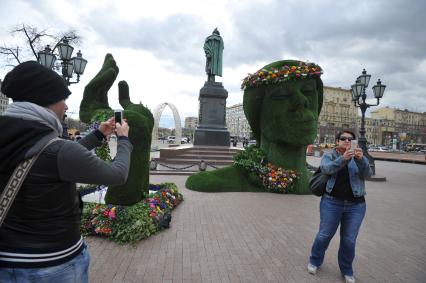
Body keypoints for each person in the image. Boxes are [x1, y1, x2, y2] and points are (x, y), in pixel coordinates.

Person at [0, 61, 133, 283]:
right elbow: (117, 175)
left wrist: (98, 134)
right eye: (63, 99)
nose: (66, 107)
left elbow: (45, 158)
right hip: (52, 265)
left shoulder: (15, 136)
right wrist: (124, 139)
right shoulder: (58, 150)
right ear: (47, 101)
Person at [307, 130, 372, 283]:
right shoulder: (330, 155)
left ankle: (347, 269)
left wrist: (361, 160)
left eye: (350, 139)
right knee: (324, 234)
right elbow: (326, 169)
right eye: (343, 138)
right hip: (332, 202)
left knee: (349, 239)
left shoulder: (359, 156)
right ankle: (315, 260)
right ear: (337, 141)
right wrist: (343, 159)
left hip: (356, 205)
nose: (347, 141)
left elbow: (368, 174)